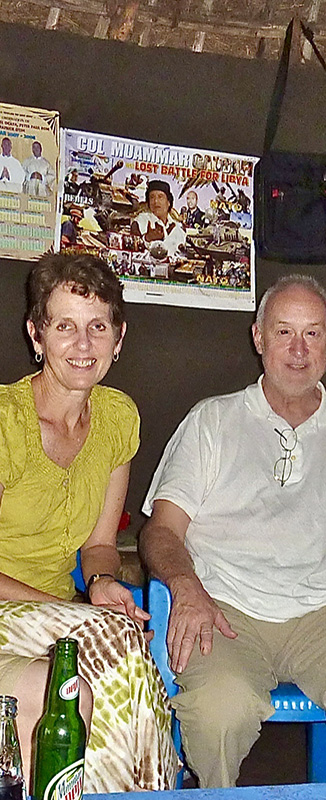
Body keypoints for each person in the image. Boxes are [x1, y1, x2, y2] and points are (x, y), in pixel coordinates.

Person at [139, 274, 326, 788]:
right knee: (220, 704)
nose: (297, 349)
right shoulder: (212, 420)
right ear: (259, 338)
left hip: (325, 611)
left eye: (312, 334)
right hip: (225, 607)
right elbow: (162, 531)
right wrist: (187, 588)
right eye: (284, 331)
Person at [0, 253, 178, 792]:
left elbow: (101, 545)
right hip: (24, 616)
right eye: (65, 326)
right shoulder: (5, 421)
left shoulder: (118, 418)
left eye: (97, 326)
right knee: (115, 644)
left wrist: (101, 584)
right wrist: (72, 613)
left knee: (120, 665)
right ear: (37, 334)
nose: (83, 344)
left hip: (50, 630)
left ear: (118, 338)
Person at [130, 179, 186, 258]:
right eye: (152, 197)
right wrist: (147, 238)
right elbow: (131, 251)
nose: (156, 201)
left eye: (160, 197)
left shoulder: (178, 228)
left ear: (168, 202)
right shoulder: (140, 221)